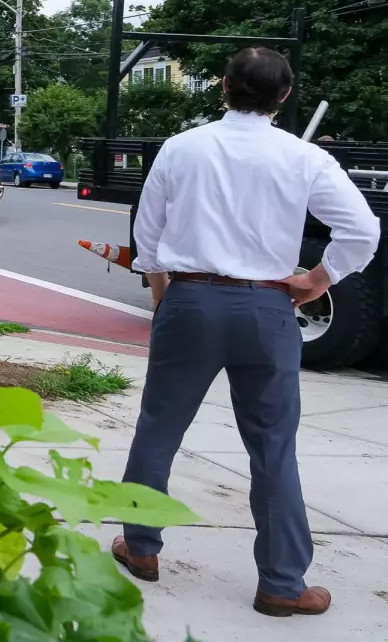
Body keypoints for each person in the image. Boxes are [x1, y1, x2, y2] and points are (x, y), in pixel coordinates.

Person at [113, 48, 378, 618]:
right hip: (267, 306)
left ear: (223, 86)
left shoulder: (181, 148)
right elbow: (361, 230)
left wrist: (164, 294)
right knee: (273, 444)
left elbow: (148, 234)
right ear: (284, 96)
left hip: (190, 297)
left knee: (159, 426)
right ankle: (282, 583)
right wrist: (318, 279)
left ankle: (141, 547)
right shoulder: (304, 156)